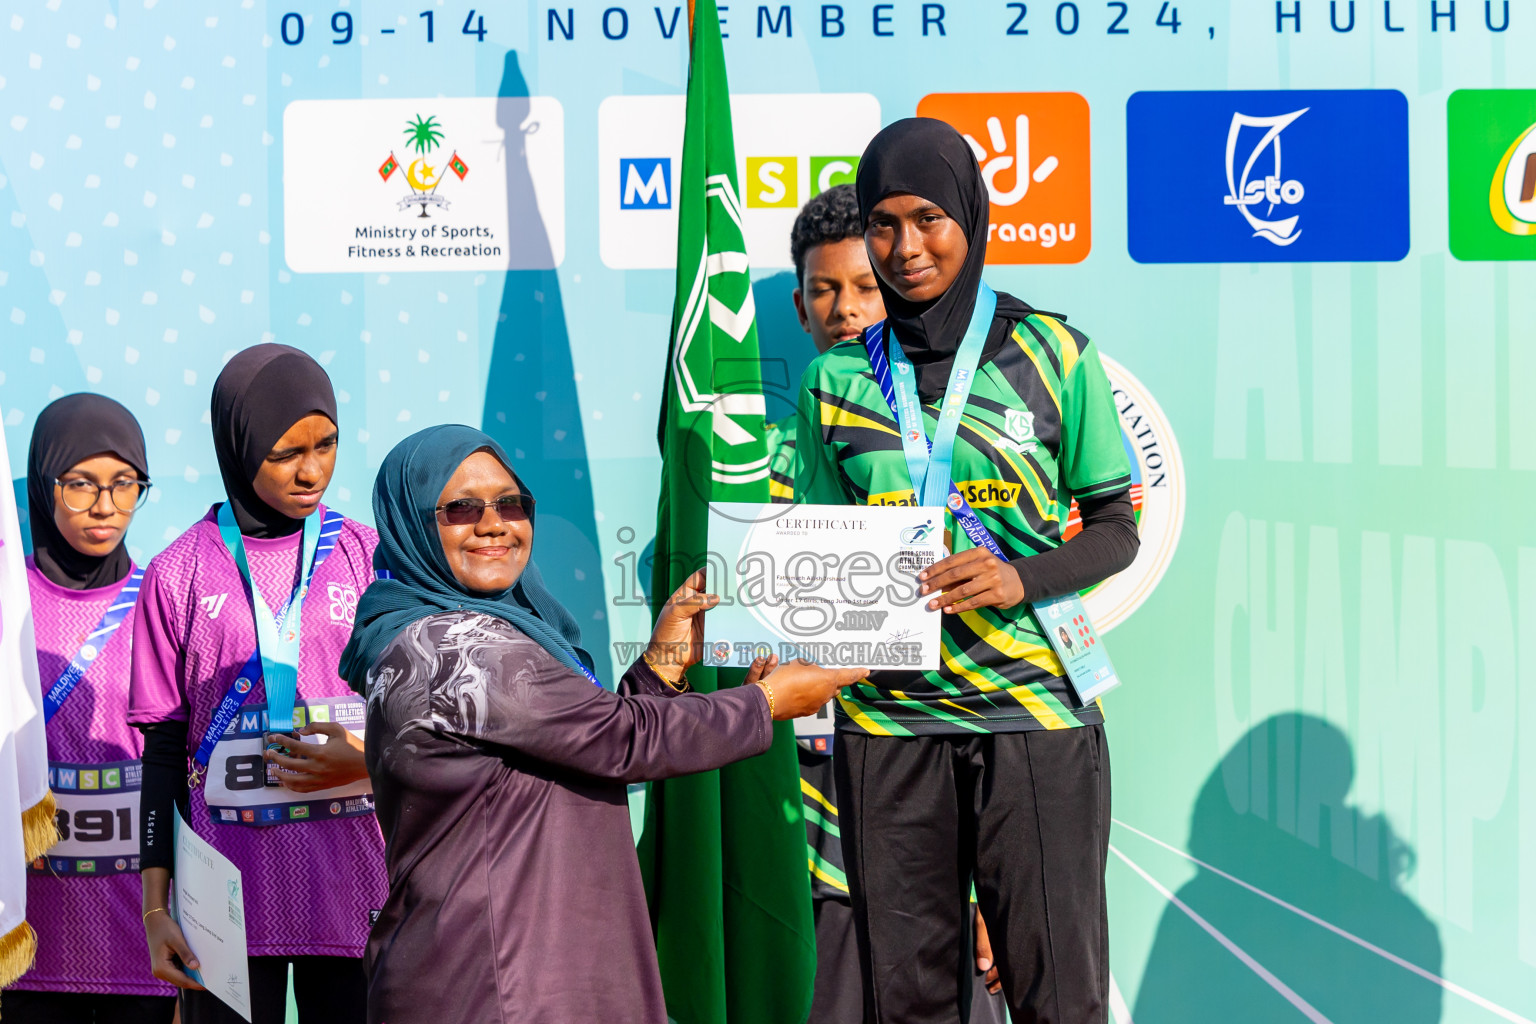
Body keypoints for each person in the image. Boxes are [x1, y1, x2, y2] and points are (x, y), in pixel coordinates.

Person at [335, 424, 868, 1024]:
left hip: (523, 970)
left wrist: (661, 668)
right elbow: (620, 739)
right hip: (495, 983)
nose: (494, 524)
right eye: (461, 509)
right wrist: (765, 703)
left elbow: (579, 745)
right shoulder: (453, 648)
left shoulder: (467, 635)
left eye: (512, 504)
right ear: (413, 524)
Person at [793, 118, 1141, 1024]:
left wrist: (1019, 580)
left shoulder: (1054, 355)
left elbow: (1115, 528)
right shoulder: (834, 380)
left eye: (928, 219)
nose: (905, 249)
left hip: (1032, 714)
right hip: (890, 723)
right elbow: (814, 542)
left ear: (971, 217)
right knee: (908, 1001)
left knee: (1057, 993)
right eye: (883, 224)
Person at [770, 184, 1008, 1024]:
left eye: (865, 286)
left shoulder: (979, 449)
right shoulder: (753, 478)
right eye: (825, 291)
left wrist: (986, 880)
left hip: (941, 813)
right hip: (816, 845)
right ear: (800, 308)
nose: (845, 310)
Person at [128, 344, 385, 1024]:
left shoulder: (370, 557)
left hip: (359, 891)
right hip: (227, 909)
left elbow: (417, 718)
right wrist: (156, 909)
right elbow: (162, 753)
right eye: (285, 453)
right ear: (238, 446)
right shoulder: (176, 573)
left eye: (327, 444)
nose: (312, 471)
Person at [2, 395, 177, 1023]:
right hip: (34, 953)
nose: (105, 508)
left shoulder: (166, 595)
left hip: (143, 949)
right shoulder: (8, 603)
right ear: (47, 481)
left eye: (124, 484)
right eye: (81, 484)